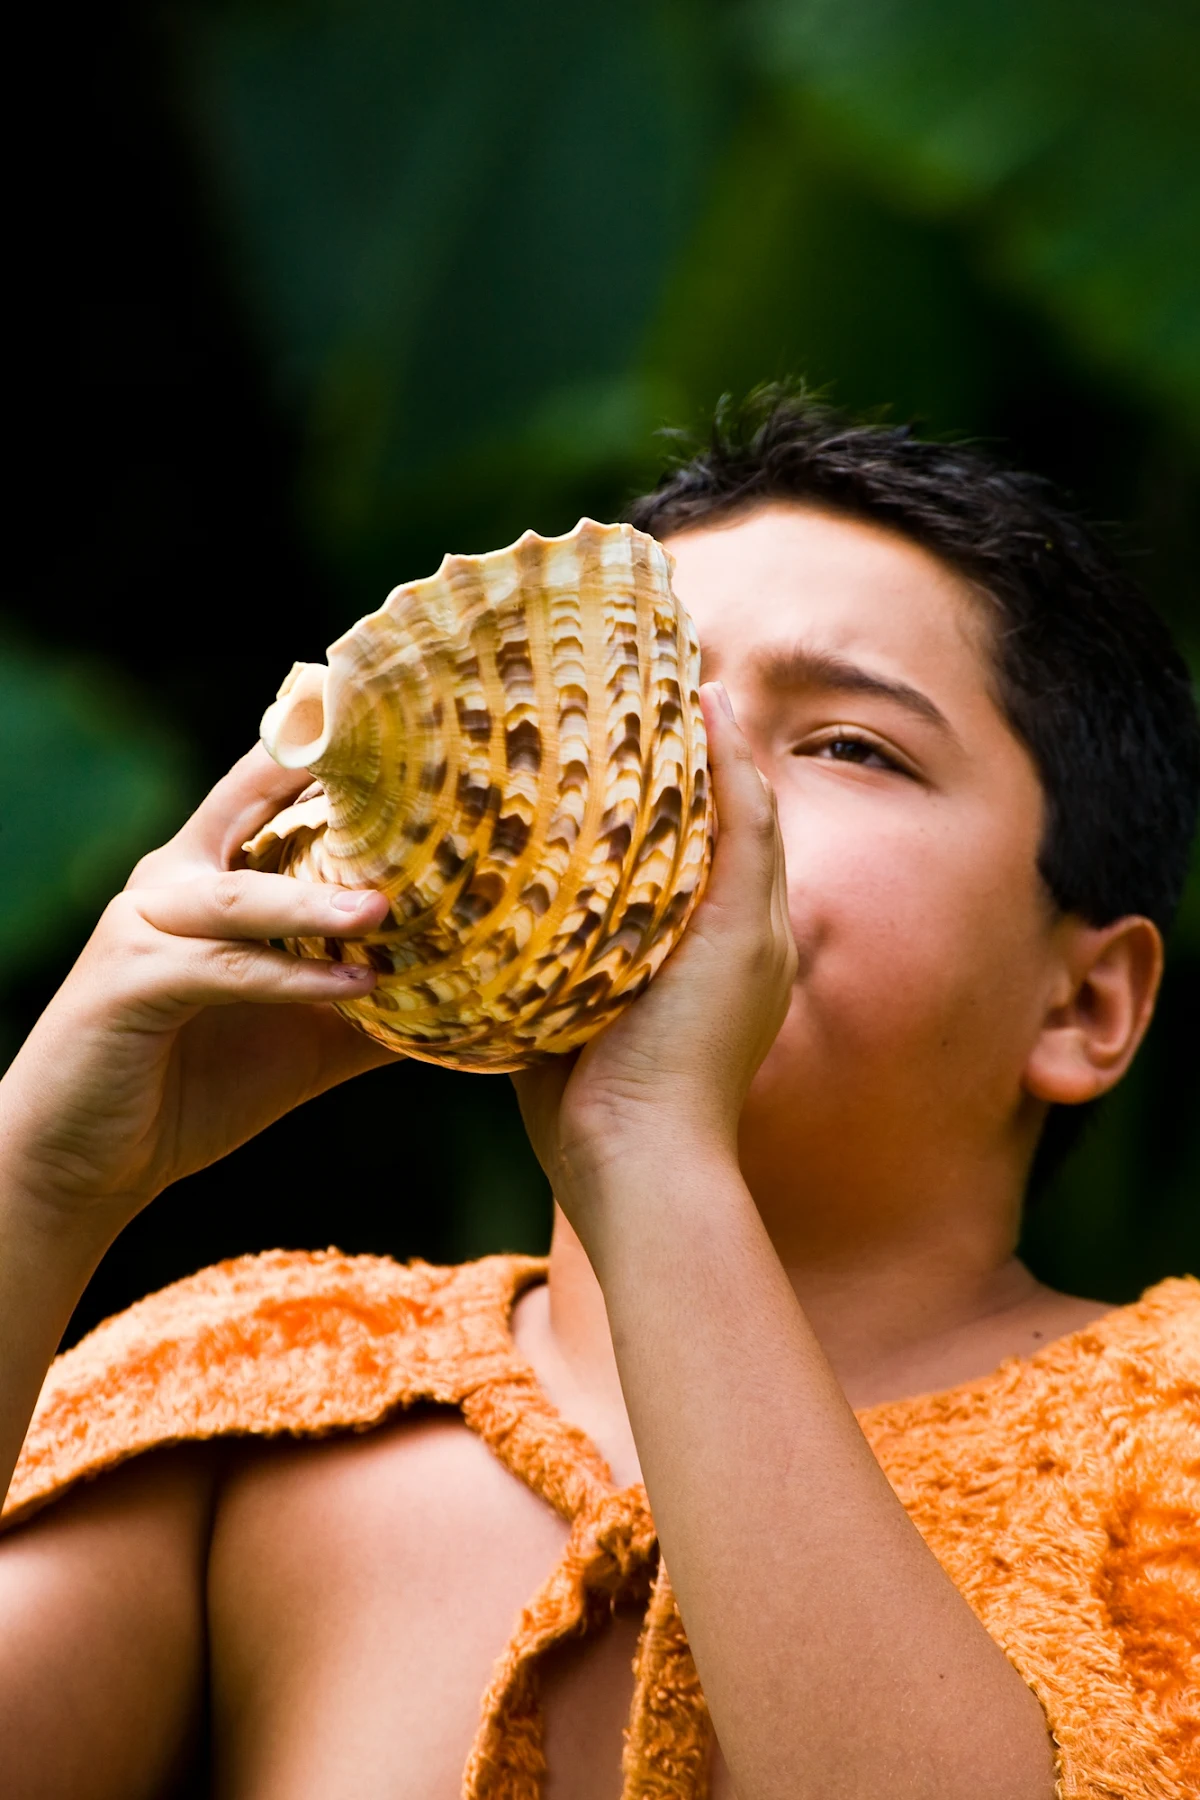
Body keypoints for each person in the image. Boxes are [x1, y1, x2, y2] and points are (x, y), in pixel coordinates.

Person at [1, 389, 1197, 1800]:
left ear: (1085, 1004)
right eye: (623, 707)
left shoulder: (1166, 1434)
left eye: (847, 746)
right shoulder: (258, 1393)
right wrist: (38, 1184)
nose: (688, 784)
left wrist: (653, 1155)